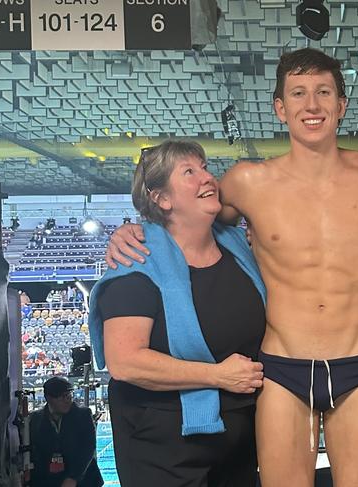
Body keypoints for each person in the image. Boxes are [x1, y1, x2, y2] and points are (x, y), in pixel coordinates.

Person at [105, 49, 358, 487]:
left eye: (323, 92)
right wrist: (137, 232)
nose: (312, 105)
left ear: (341, 106)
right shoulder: (246, 182)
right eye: (299, 93)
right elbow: (184, 223)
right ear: (280, 108)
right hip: (282, 368)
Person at [88, 141, 266, 487]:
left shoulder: (237, 247)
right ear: (162, 199)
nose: (207, 177)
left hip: (238, 440)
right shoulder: (136, 263)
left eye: (204, 167)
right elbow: (125, 362)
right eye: (189, 172)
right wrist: (217, 376)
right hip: (164, 448)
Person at [29, 376, 104, 487]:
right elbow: (36, 454)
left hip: (84, 480)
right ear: (48, 398)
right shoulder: (35, 419)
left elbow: (88, 449)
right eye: (63, 396)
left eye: (69, 395)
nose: (67, 400)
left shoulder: (83, 415)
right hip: (50, 481)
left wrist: (73, 477)